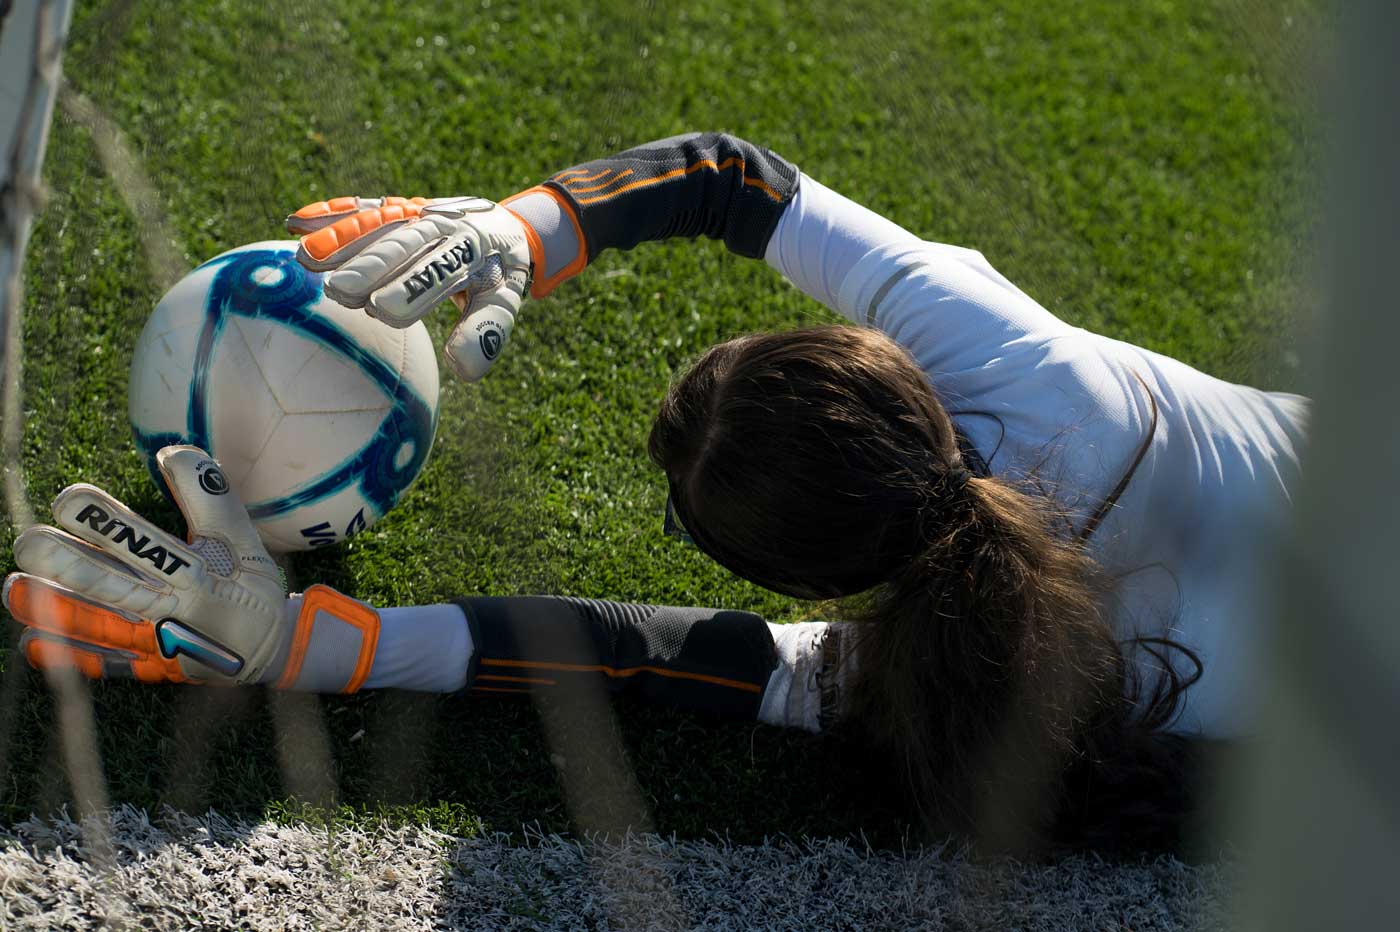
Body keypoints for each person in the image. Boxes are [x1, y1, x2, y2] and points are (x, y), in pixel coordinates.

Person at [3, 133, 1307, 852]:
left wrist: (315, 647)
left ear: (817, 585)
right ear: (891, 374)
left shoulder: (975, 681)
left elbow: (645, 657)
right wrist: (522, 228)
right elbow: (737, 176)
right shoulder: (1027, 370)